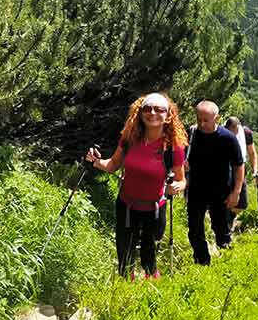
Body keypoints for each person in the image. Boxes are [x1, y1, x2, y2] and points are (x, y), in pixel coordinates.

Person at [85, 93, 186, 280]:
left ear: (168, 115)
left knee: (149, 254)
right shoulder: (129, 138)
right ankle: (126, 289)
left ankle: (152, 288)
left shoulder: (173, 147)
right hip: (127, 205)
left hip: (155, 208)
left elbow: (181, 180)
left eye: (159, 109)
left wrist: (177, 187)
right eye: (147, 109)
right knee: (124, 253)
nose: (152, 113)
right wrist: (96, 162)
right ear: (140, 113)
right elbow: (113, 164)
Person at [184, 101, 245, 264]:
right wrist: (182, 166)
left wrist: (236, 192)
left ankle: (227, 261)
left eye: (206, 120)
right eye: (199, 119)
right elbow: (179, 159)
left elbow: (239, 166)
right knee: (195, 229)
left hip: (221, 192)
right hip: (196, 190)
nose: (201, 124)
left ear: (216, 118)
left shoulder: (228, 138)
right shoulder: (190, 135)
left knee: (221, 229)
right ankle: (202, 262)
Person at [224, 116, 258, 231]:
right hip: (225, 167)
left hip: (240, 168)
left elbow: (252, 153)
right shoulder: (221, 132)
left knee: (242, 204)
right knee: (226, 197)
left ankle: (231, 216)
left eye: (234, 132)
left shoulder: (246, 133)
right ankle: (226, 225)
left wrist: (255, 170)